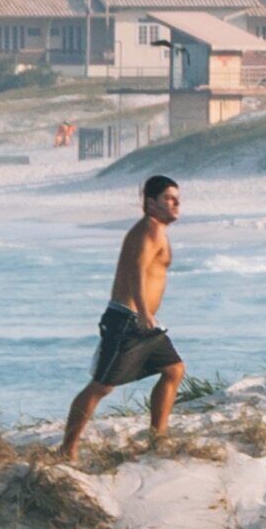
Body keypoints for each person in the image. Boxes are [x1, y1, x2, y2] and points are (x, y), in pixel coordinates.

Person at [62, 174, 184, 460]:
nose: (176, 203)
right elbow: (135, 271)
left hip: (142, 321)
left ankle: (158, 437)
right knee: (102, 386)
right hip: (129, 319)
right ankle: (67, 449)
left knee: (174, 370)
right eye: (169, 198)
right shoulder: (149, 230)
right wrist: (143, 312)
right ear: (151, 203)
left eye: (177, 198)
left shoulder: (156, 230)